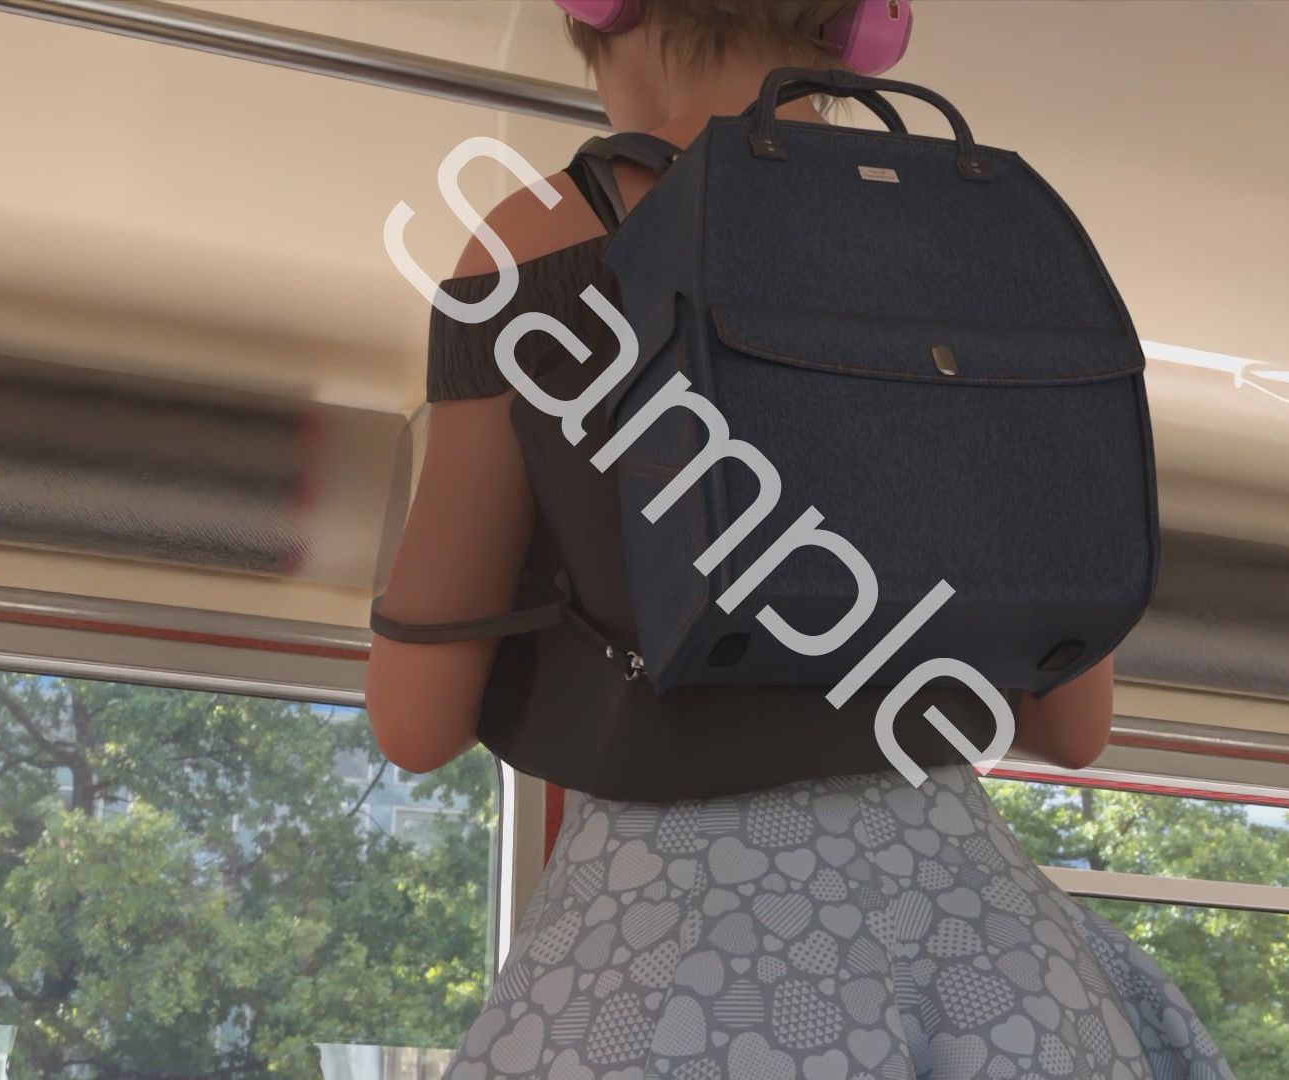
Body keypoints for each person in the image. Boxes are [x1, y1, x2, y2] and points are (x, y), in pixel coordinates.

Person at [367, 3, 1233, 1078]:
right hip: (983, 943)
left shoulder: (542, 234)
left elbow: (415, 721)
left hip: (672, 942)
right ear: (862, 27)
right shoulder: (987, 236)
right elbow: (1075, 724)